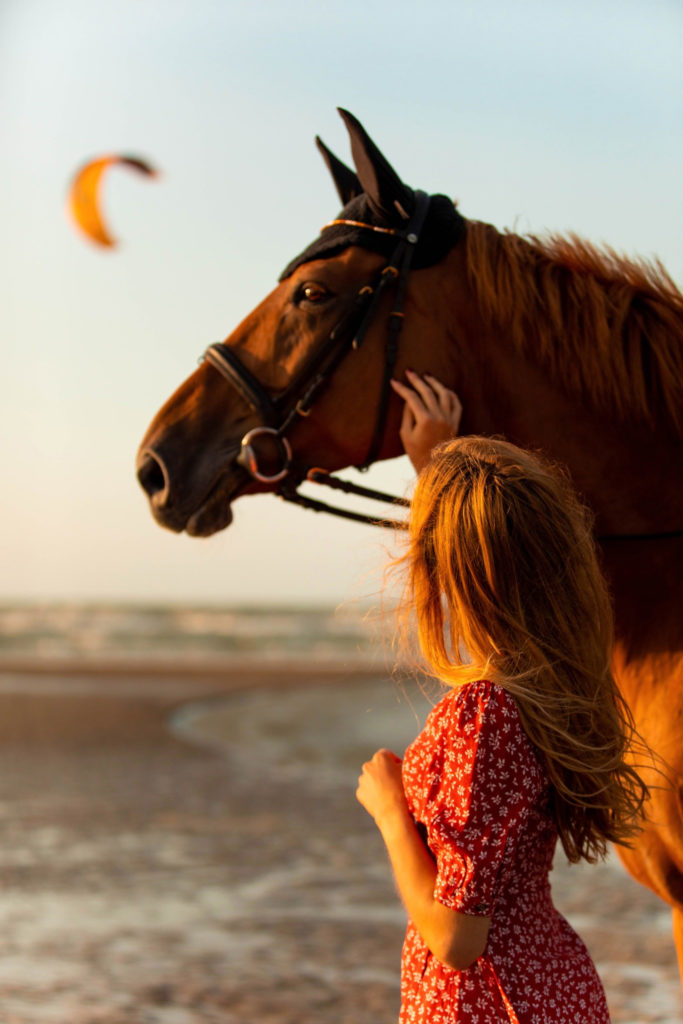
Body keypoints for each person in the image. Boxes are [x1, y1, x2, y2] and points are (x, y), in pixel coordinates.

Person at [356, 372, 648, 1023]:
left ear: (445, 568)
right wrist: (438, 464)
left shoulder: (481, 714)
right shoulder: (554, 687)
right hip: (549, 983)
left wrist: (388, 812)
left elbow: (456, 940)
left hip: (483, 1003)